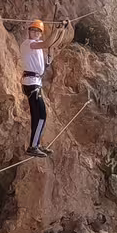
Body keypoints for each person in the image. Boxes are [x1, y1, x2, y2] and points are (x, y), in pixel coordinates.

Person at [18, 18, 70, 157]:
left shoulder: (37, 46)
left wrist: (61, 30)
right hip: (31, 83)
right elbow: (48, 42)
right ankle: (33, 146)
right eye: (33, 30)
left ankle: (36, 144)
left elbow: (53, 44)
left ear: (40, 34)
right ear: (29, 31)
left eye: (38, 31)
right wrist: (56, 29)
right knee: (41, 115)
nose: (35, 33)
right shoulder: (28, 44)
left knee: (39, 115)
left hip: (34, 82)